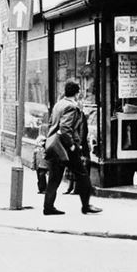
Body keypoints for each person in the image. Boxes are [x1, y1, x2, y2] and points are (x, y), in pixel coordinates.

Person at [43, 80, 102, 216]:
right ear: (77, 93)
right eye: (79, 91)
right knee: (82, 174)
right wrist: (72, 146)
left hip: (54, 145)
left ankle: (48, 207)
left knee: (54, 178)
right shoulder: (70, 107)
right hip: (66, 147)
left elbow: (52, 123)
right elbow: (65, 128)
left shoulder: (59, 104)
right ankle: (86, 206)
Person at [33, 123, 49, 194]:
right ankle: (41, 188)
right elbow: (34, 155)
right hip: (38, 162)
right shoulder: (37, 146)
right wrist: (33, 164)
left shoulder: (46, 142)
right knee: (39, 176)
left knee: (41, 175)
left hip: (43, 163)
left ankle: (44, 188)